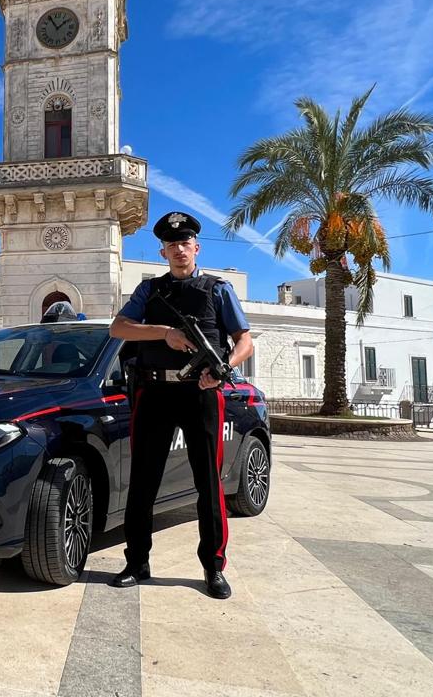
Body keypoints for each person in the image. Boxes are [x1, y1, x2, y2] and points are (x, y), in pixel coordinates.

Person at [109, 211, 253, 599]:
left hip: (200, 393)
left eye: (184, 243)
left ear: (196, 247)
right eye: (172, 245)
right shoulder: (150, 292)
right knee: (142, 482)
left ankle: (213, 567)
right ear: (163, 251)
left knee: (208, 482)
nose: (179, 250)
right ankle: (137, 561)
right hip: (154, 393)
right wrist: (165, 333)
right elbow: (118, 328)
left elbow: (244, 341)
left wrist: (224, 371)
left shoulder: (217, 289)